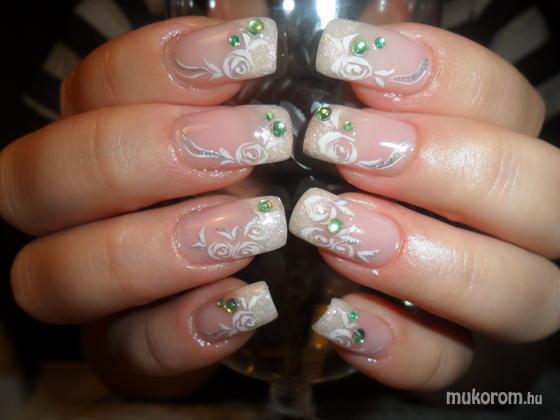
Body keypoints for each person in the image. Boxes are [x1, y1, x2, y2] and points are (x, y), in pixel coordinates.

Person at [1, 0, 559, 403]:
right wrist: (133, 346)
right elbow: (79, 311)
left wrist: (484, 341)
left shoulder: (491, 18)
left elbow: (519, 371)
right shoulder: (123, 18)